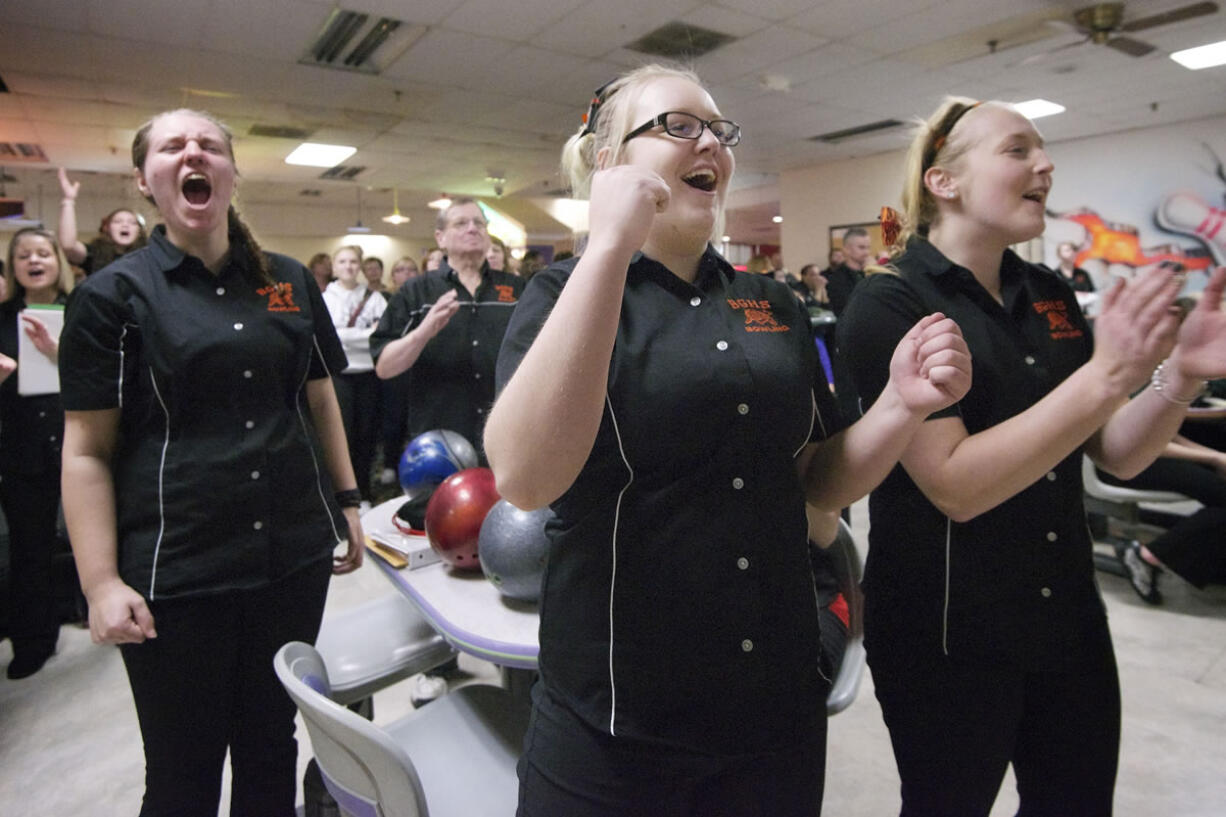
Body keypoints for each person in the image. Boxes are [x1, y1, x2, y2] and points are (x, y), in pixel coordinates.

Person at [483, 64, 971, 817]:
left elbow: (818, 481)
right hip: (615, 720)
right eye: (678, 124)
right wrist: (610, 245)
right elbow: (523, 476)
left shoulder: (771, 301)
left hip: (772, 711)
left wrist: (902, 407)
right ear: (609, 160)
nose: (709, 139)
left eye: (718, 128)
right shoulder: (561, 294)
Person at [838, 97, 1226, 817]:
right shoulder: (889, 303)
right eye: (1018, 149)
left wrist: (1184, 374)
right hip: (947, 636)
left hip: (1067, 618)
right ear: (943, 182)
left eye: (1044, 150)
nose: (1045, 163)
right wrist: (1105, 376)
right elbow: (954, 484)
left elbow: (1115, 454)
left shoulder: (1047, 293)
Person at [58, 108, 364, 817]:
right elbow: (86, 451)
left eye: (209, 145)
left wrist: (346, 499)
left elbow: (319, 394)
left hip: (291, 556)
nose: (193, 153)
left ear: (229, 172)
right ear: (145, 179)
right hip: (179, 569)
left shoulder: (288, 279)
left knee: (269, 741)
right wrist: (100, 581)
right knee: (183, 767)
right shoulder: (114, 297)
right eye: (172, 146)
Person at [371, 198, 524, 462]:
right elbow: (385, 366)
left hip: (508, 433)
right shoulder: (416, 292)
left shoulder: (517, 289)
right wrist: (423, 332)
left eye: (479, 223)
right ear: (440, 238)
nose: (472, 229)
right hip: (441, 438)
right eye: (461, 223)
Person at [0, 228, 75, 679]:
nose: (34, 260)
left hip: (81, 442)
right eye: (23, 254)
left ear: (57, 261)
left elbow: (105, 373)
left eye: (43, 253)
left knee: (103, 538)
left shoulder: (81, 309)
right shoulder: (1, 318)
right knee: (30, 549)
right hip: (21, 448)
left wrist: (58, 353)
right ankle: (33, 639)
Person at [1100, 432, 1226, 603]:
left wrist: (1214, 456)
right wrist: (1212, 457)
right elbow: (1133, 441)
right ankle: (1148, 555)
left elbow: (1167, 432)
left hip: (1144, 450)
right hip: (1122, 460)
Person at [323, 245, 387, 506]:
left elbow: (382, 335)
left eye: (353, 262)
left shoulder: (374, 298)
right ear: (334, 267)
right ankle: (341, 493)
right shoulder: (325, 298)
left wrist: (347, 336)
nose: (348, 266)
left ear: (359, 267)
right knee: (342, 436)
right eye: (343, 261)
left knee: (367, 435)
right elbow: (328, 338)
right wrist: (363, 334)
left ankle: (364, 491)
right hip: (339, 376)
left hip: (369, 375)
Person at [57, 168, 148, 275]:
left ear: (139, 231)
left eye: (132, 222)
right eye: (118, 221)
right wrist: (69, 200)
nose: (125, 225)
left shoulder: (149, 254)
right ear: (107, 228)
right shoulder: (95, 252)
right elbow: (68, 246)